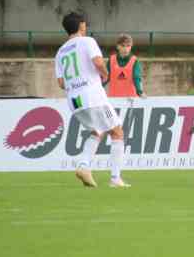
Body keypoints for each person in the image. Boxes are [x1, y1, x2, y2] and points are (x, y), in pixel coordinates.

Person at [55, 12, 130, 188]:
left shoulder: (60, 52)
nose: (86, 26)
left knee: (98, 131)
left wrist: (76, 85)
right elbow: (97, 62)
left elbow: (60, 83)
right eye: (84, 23)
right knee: (117, 132)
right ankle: (115, 179)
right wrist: (104, 74)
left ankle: (84, 166)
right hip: (92, 96)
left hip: (74, 101)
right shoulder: (87, 41)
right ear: (81, 25)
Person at [105, 33, 145, 98]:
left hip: (131, 100)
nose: (126, 48)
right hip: (114, 99)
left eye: (128, 46)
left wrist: (140, 92)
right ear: (118, 46)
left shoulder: (134, 61)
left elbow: (136, 78)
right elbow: (105, 77)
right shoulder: (112, 59)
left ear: (131, 46)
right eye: (123, 46)